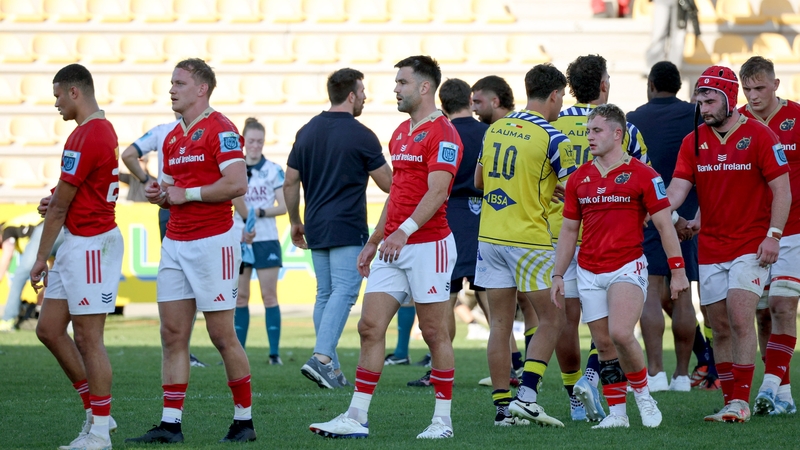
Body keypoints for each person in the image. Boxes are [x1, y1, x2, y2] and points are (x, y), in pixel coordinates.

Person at [309, 55, 462, 439]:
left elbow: (438, 191)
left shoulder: (444, 133)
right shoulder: (400, 132)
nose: (395, 88)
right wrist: (375, 240)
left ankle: (442, 420)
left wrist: (404, 231)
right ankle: (356, 417)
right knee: (369, 326)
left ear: (425, 87)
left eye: (402, 82)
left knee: (433, 332)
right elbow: (397, 195)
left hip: (428, 244)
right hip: (394, 244)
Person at [127, 58, 255, 443]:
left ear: (202, 88)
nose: (171, 89)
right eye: (171, 82)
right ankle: (170, 425)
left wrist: (188, 193)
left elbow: (237, 183)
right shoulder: (170, 138)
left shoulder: (222, 129)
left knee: (221, 335)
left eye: (179, 83)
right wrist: (159, 196)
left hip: (213, 243)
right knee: (172, 333)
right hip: (176, 243)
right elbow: (172, 195)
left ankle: (244, 421)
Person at [667, 65, 791, 423]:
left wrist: (774, 235)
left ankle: (740, 402)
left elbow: (782, 190)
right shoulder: (693, 141)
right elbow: (677, 190)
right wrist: (655, 207)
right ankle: (730, 398)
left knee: (740, 317)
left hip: (750, 244)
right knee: (718, 325)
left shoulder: (761, 135)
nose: (703, 108)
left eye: (709, 100)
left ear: (728, 98)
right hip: (710, 247)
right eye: (700, 101)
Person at [552, 103, 688, 429]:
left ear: (618, 133)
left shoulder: (644, 174)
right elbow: (570, 230)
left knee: (621, 333)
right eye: (587, 131)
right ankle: (617, 414)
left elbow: (665, 225)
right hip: (587, 270)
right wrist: (558, 274)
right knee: (604, 345)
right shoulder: (579, 179)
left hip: (626, 266)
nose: (589, 137)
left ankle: (643, 395)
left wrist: (678, 270)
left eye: (596, 131)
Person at [475, 63, 576, 427]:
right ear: (553, 95)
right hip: (529, 239)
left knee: (500, 325)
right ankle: (528, 396)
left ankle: (503, 410)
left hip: (490, 236)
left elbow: (479, 181)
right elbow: (575, 192)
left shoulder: (496, 128)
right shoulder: (553, 137)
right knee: (553, 317)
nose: (561, 104)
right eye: (561, 97)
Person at [29, 63, 124, 450]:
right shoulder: (94, 132)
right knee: (49, 330)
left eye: (56, 96)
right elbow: (72, 190)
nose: (55, 104)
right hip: (79, 242)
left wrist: (39, 259)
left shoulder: (89, 134)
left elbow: (59, 208)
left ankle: (99, 431)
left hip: (92, 245)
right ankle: (98, 412)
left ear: (74, 92)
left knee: (89, 338)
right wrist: (56, 195)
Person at [551, 54, 648, 421]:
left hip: (559, 234)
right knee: (608, 326)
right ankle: (594, 381)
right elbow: (645, 178)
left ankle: (576, 395)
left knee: (567, 321)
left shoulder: (554, 123)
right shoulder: (625, 129)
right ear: (604, 84)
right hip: (608, 238)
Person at [285, 68, 392, 389]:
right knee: (344, 293)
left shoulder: (307, 131)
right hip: (347, 225)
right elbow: (389, 184)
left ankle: (328, 365)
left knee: (326, 294)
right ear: (350, 95)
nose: (365, 97)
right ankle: (322, 358)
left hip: (316, 225)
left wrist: (295, 220)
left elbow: (290, 181)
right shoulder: (361, 135)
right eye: (362, 92)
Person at [404, 78, 490, 387]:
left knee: (446, 296)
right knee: (489, 293)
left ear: (442, 101)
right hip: (483, 215)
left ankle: (439, 368)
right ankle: (509, 367)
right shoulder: (486, 132)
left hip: (448, 213)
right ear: (469, 99)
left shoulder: (443, 133)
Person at [627, 61, 700, 392]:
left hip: (646, 212)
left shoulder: (633, 119)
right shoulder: (696, 115)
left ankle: (654, 372)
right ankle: (682, 376)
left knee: (652, 292)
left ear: (651, 85)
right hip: (688, 213)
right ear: (678, 86)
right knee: (683, 293)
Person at [121, 116, 209, 368]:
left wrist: (147, 181)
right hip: (195, 208)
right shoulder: (208, 128)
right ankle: (185, 350)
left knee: (177, 280)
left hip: (168, 209)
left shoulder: (162, 131)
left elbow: (128, 154)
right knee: (193, 284)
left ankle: (177, 349)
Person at [738, 56, 799, 416]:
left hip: (793, 230)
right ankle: (785, 396)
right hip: (751, 233)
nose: (754, 95)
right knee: (761, 313)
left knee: (782, 305)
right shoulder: (739, 122)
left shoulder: (797, 118)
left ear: (776, 84)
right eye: (747, 89)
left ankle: (768, 386)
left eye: (760, 87)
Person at [232, 117, 287, 365]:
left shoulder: (273, 170)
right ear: (244, 141)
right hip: (238, 238)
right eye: (252, 141)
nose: (255, 146)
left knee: (269, 297)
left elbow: (283, 206)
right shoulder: (232, 168)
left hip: (265, 238)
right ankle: (237, 353)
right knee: (240, 297)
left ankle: (274, 353)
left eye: (260, 141)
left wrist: (257, 213)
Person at [0, 213, 65, 332]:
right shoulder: (21, 225)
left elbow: (7, 255)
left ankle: (7, 319)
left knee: (20, 273)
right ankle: (66, 323)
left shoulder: (7, 229)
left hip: (46, 227)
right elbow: (51, 266)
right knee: (60, 276)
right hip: (64, 229)